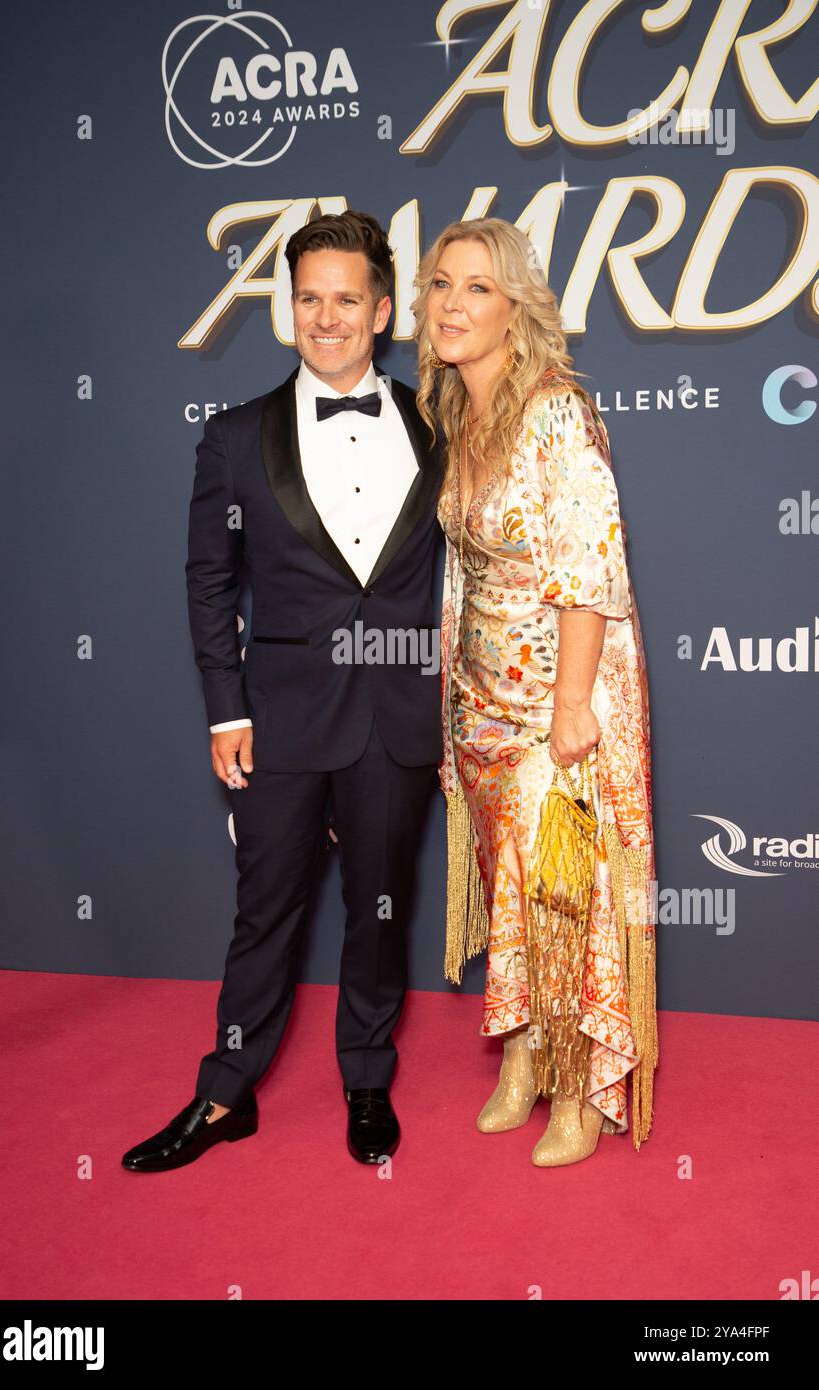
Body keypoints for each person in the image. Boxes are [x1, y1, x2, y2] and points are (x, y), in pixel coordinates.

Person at [122, 210, 442, 1173]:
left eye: (348, 299)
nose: (327, 317)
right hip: (281, 718)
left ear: (382, 311)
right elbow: (210, 580)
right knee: (265, 909)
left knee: (381, 905)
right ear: (286, 307)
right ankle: (226, 1093)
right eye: (309, 298)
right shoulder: (232, 437)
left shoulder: (438, 423)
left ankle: (367, 1076)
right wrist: (227, 705)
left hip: (397, 715)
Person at [413, 217, 657, 1166]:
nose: (451, 304)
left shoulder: (556, 408)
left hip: (555, 700)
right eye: (441, 284)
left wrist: (572, 708)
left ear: (517, 307)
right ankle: (519, 1056)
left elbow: (590, 565)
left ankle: (578, 1091)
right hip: (477, 704)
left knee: (562, 893)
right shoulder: (460, 414)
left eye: (477, 287)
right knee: (507, 885)